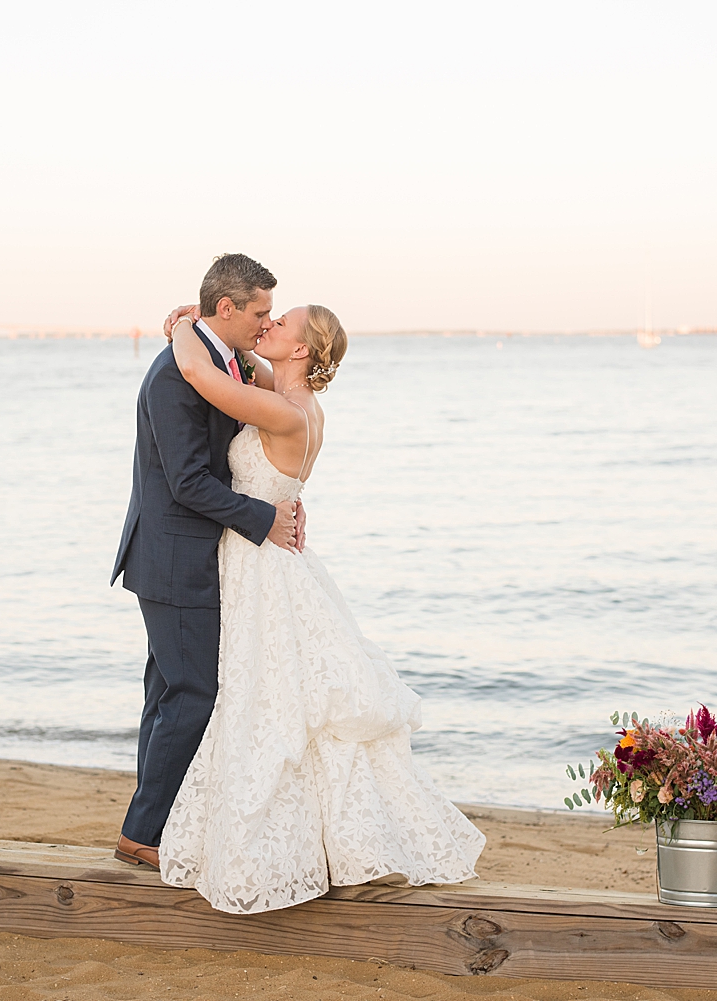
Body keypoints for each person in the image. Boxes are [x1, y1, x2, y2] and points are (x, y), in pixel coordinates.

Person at [155, 298, 485, 914]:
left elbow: (201, 374)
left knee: (268, 702)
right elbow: (242, 364)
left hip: (260, 563)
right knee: (286, 700)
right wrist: (219, 336)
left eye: (281, 324)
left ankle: (292, 850)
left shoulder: (285, 410)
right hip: (274, 556)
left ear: (303, 349)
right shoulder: (295, 399)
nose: (268, 326)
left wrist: (182, 329)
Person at [110, 254, 304, 868]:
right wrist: (264, 517)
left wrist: (279, 494)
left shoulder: (220, 362)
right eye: (259, 312)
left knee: (169, 691)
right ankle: (143, 834)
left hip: (190, 555)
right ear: (228, 308)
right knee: (194, 693)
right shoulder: (174, 376)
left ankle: (154, 824)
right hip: (174, 557)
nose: (264, 323)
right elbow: (189, 481)